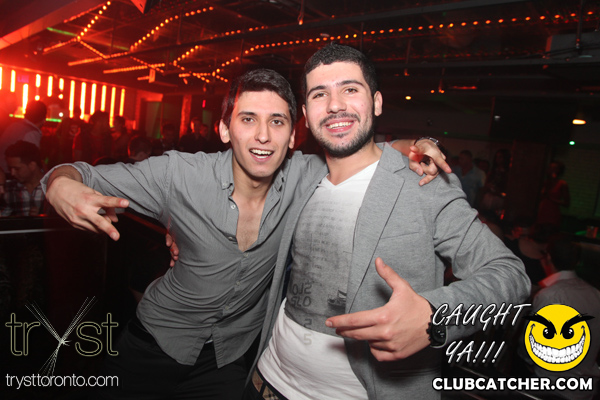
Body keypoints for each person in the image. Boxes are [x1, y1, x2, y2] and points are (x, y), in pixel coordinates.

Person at [42, 68, 447, 399]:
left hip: (228, 360)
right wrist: (60, 186)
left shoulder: (307, 176)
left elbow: (374, 152)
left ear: (293, 136)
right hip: (153, 346)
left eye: (277, 122)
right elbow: (78, 173)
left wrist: (421, 143)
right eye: (248, 119)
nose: (263, 135)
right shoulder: (178, 174)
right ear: (224, 129)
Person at [247, 43, 529, 400]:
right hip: (267, 381)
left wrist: (434, 317)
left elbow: (510, 276)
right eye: (320, 94)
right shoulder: (299, 172)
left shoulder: (425, 183)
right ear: (305, 112)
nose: (334, 105)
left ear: (377, 102)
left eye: (350, 89)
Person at [520, 235, 600, 400]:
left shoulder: (550, 295)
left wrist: (526, 360)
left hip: (553, 388)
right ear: (577, 262)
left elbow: (531, 346)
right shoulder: (595, 294)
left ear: (548, 258)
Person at [0, 100, 47, 175]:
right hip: (12, 174)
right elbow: (33, 161)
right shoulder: (31, 133)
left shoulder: (14, 125)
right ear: (44, 118)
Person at [1, 141, 47, 216]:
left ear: (32, 165)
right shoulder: (9, 189)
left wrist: (44, 216)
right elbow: (3, 217)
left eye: (17, 169)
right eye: (10, 168)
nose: (12, 173)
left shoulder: (51, 186)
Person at [537, 160, 570, 229]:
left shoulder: (562, 184)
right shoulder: (546, 182)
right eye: (549, 167)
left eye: (552, 168)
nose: (549, 169)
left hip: (552, 215)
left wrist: (551, 199)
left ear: (557, 170)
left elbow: (567, 203)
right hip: (542, 213)